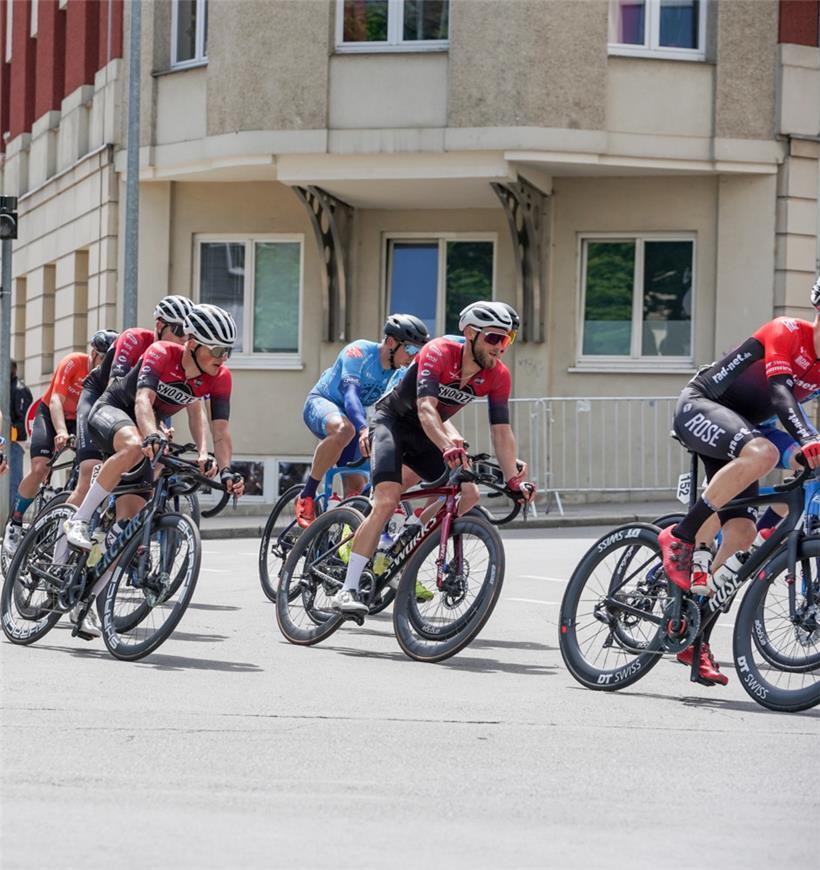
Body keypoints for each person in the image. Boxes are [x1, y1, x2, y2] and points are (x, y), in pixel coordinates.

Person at [659, 274, 820, 686]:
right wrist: (807, 438)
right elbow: (782, 394)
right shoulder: (786, 331)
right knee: (764, 453)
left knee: (743, 534)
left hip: (750, 426)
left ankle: (694, 636)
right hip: (703, 405)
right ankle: (681, 535)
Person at [330, 301, 536, 615]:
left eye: (506, 340)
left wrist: (512, 480)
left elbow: (501, 431)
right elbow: (426, 409)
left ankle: (403, 539)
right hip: (393, 423)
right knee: (386, 500)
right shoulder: (440, 351)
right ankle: (347, 589)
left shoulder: (497, 376)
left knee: (468, 493)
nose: (501, 348)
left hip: (427, 433)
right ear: (470, 333)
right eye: (494, 338)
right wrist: (447, 445)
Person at [63, 304, 245, 550]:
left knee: (127, 529)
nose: (223, 358)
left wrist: (225, 470)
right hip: (113, 408)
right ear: (192, 344)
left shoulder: (220, 377)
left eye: (228, 351)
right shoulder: (160, 352)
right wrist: (153, 434)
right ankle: (79, 520)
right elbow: (142, 400)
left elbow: (220, 430)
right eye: (218, 350)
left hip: (145, 421)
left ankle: (96, 585)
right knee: (136, 445)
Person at [296, 314, 430, 528]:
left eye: (418, 352)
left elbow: (397, 410)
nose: (412, 357)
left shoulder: (400, 371)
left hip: (354, 420)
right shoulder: (358, 351)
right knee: (344, 429)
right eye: (411, 350)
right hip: (323, 403)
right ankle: (308, 493)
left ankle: (335, 546)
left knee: (357, 495)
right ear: (391, 342)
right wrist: (362, 429)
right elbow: (350, 395)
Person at [69, 296, 198, 511]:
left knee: (156, 456)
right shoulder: (135, 339)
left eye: (189, 334)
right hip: (102, 398)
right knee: (89, 471)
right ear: (159, 325)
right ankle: (63, 536)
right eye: (177, 330)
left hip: (137, 407)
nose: (183, 339)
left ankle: (119, 523)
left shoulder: (177, 359)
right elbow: (114, 387)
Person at [1, 332, 117, 558]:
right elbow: (56, 400)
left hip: (82, 419)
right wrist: (62, 431)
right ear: (94, 354)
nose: (108, 365)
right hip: (51, 414)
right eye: (104, 359)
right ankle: (15, 523)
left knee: (93, 468)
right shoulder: (73, 361)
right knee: (40, 468)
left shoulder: (110, 377)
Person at [8, 360, 32, 504]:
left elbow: (23, 420)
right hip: (6, 442)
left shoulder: (19, 389)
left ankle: (10, 520)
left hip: (14, 443)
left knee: (12, 484)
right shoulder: (7, 387)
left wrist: (9, 433)